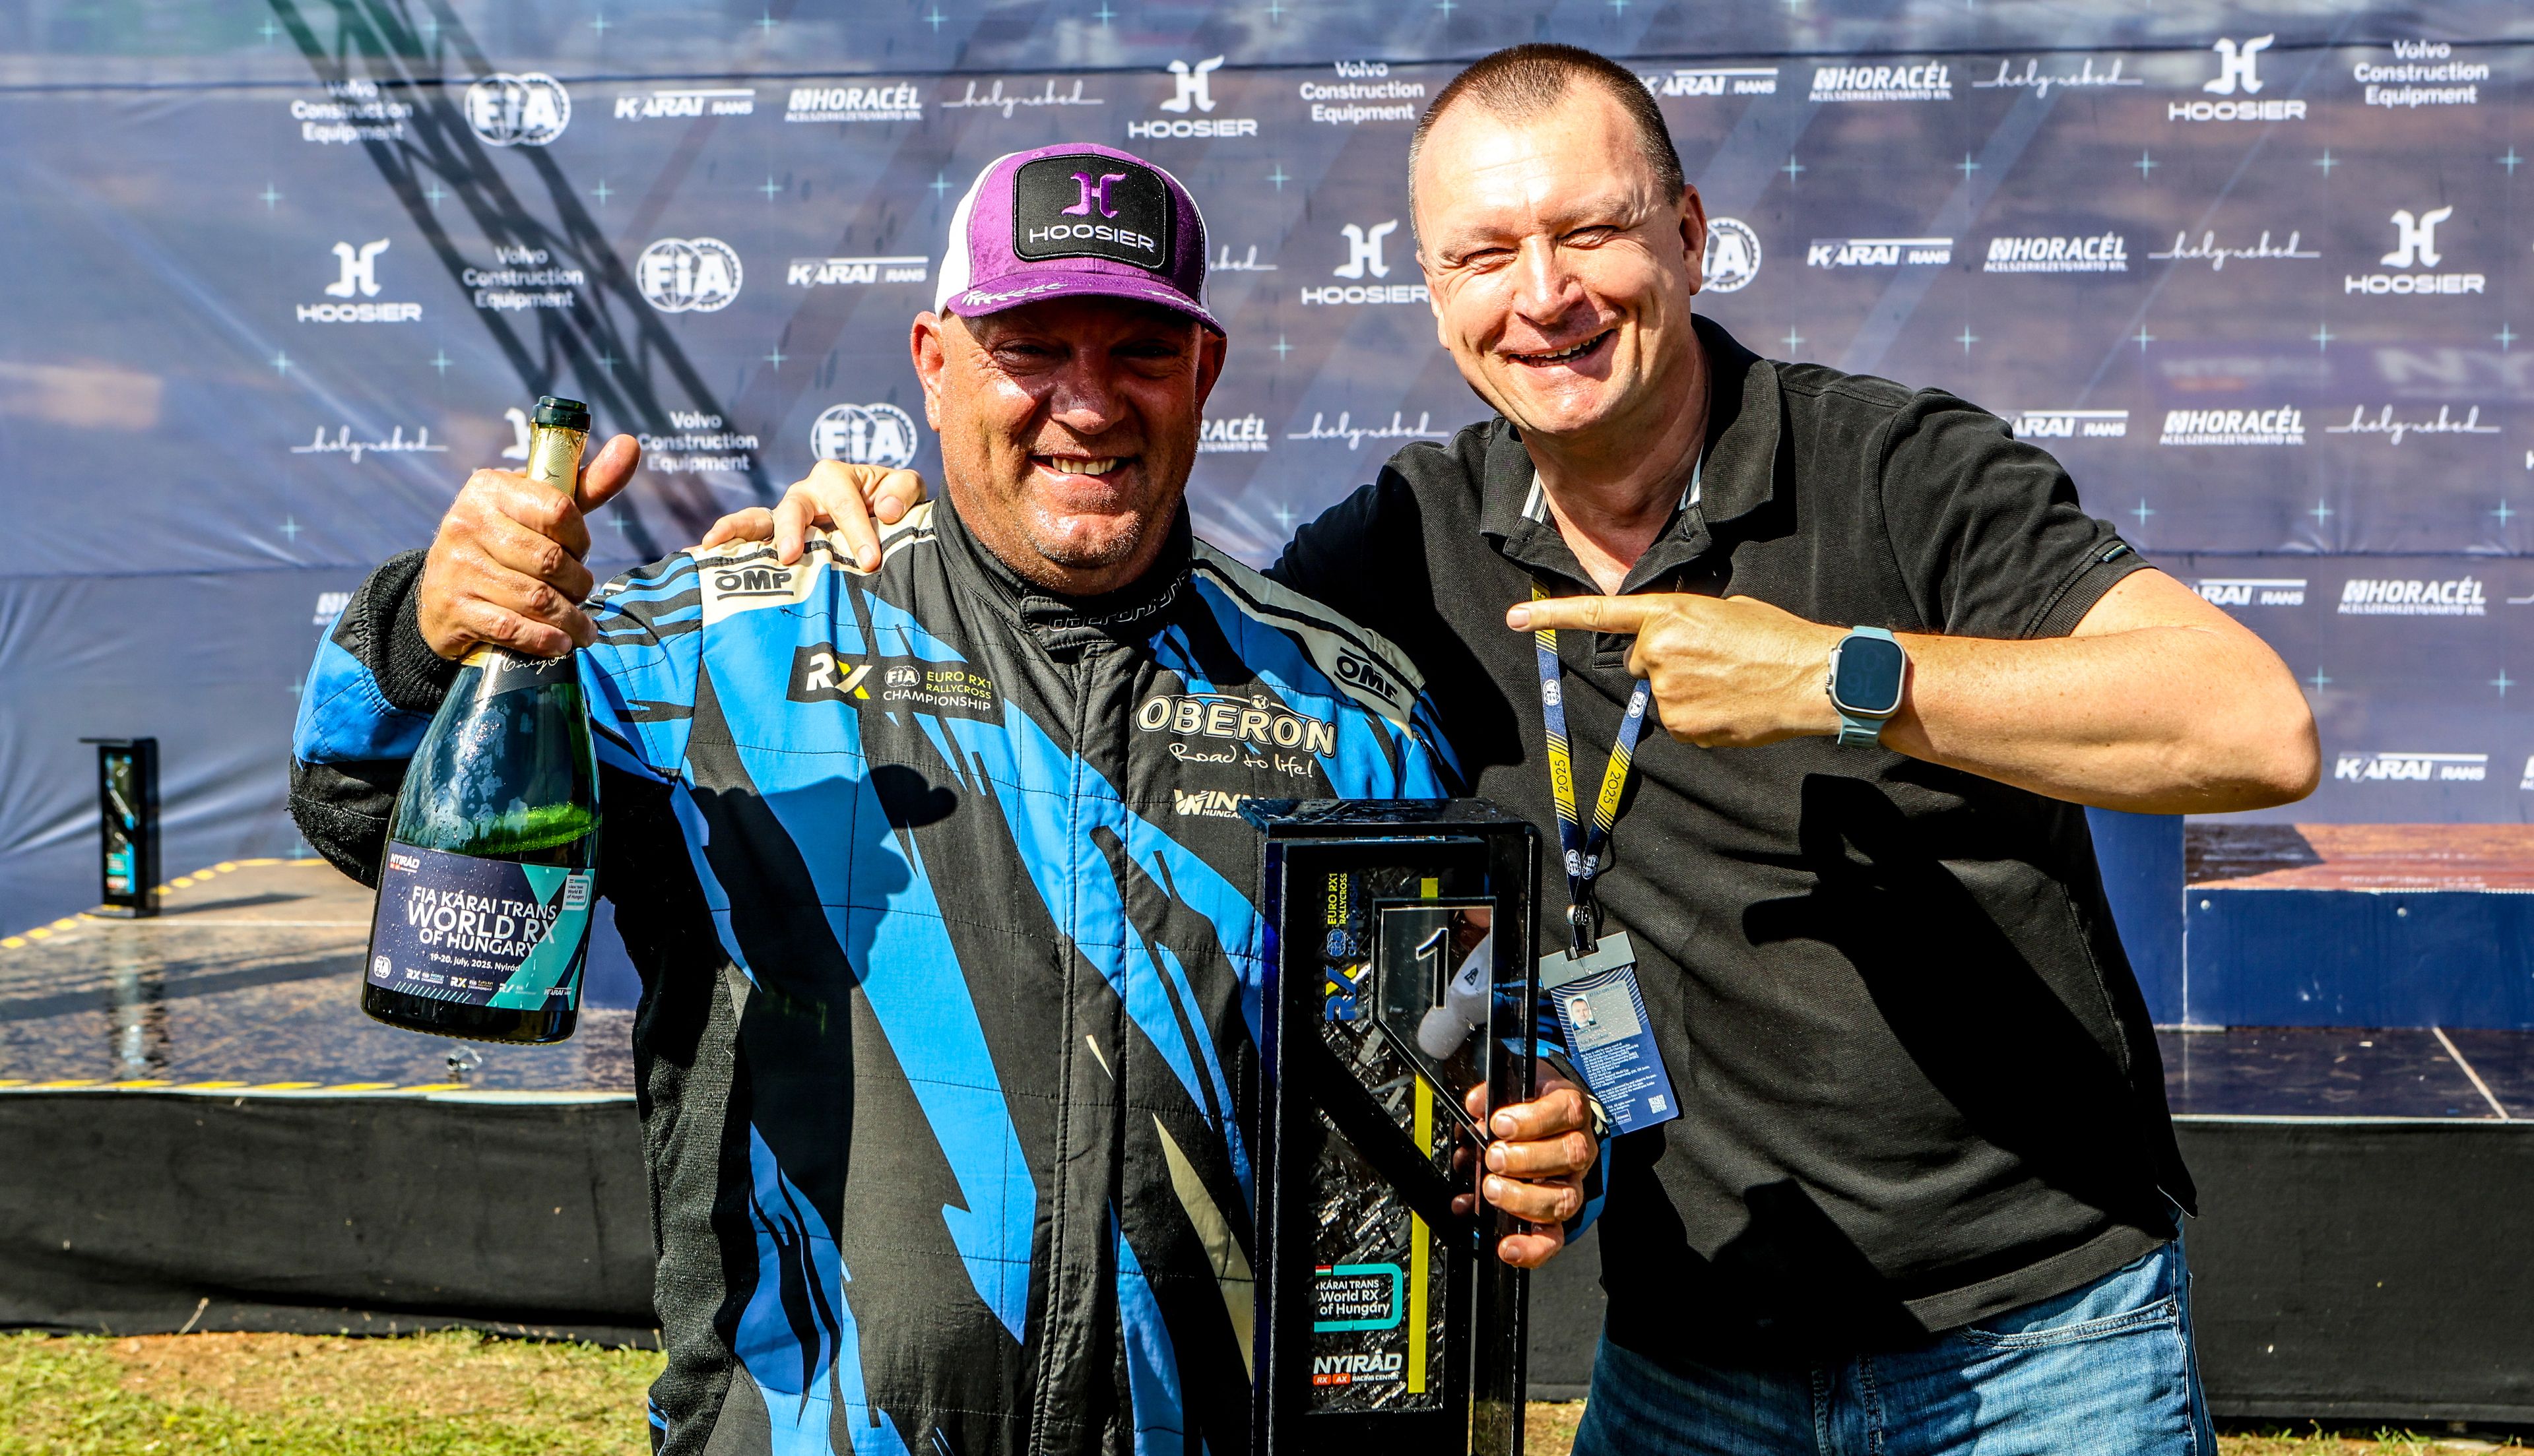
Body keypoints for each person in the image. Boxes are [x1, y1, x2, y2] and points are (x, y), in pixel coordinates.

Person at [722, 45, 2321, 1456]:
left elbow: (2250, 726)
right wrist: (895, 534)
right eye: (1484, 253)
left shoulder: (1895, 466)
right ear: (1433, 292)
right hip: (1685, 1359)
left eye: (1590, 234)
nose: (1541, 294)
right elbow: (1134, 591)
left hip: (2031, 1350)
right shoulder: (1402, 548)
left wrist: (1843, 678)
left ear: (1689, 239)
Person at [286, 142, 1598, 1456]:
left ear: (1203, 374)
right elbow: (358, 796)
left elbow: (1469, 1063)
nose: (1088, 404)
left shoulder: (1348, 716)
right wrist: (427, 627)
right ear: (933, 359)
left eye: (1139, 351)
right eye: (1033, 347)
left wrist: (1539, 1135)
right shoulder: (727, 648)